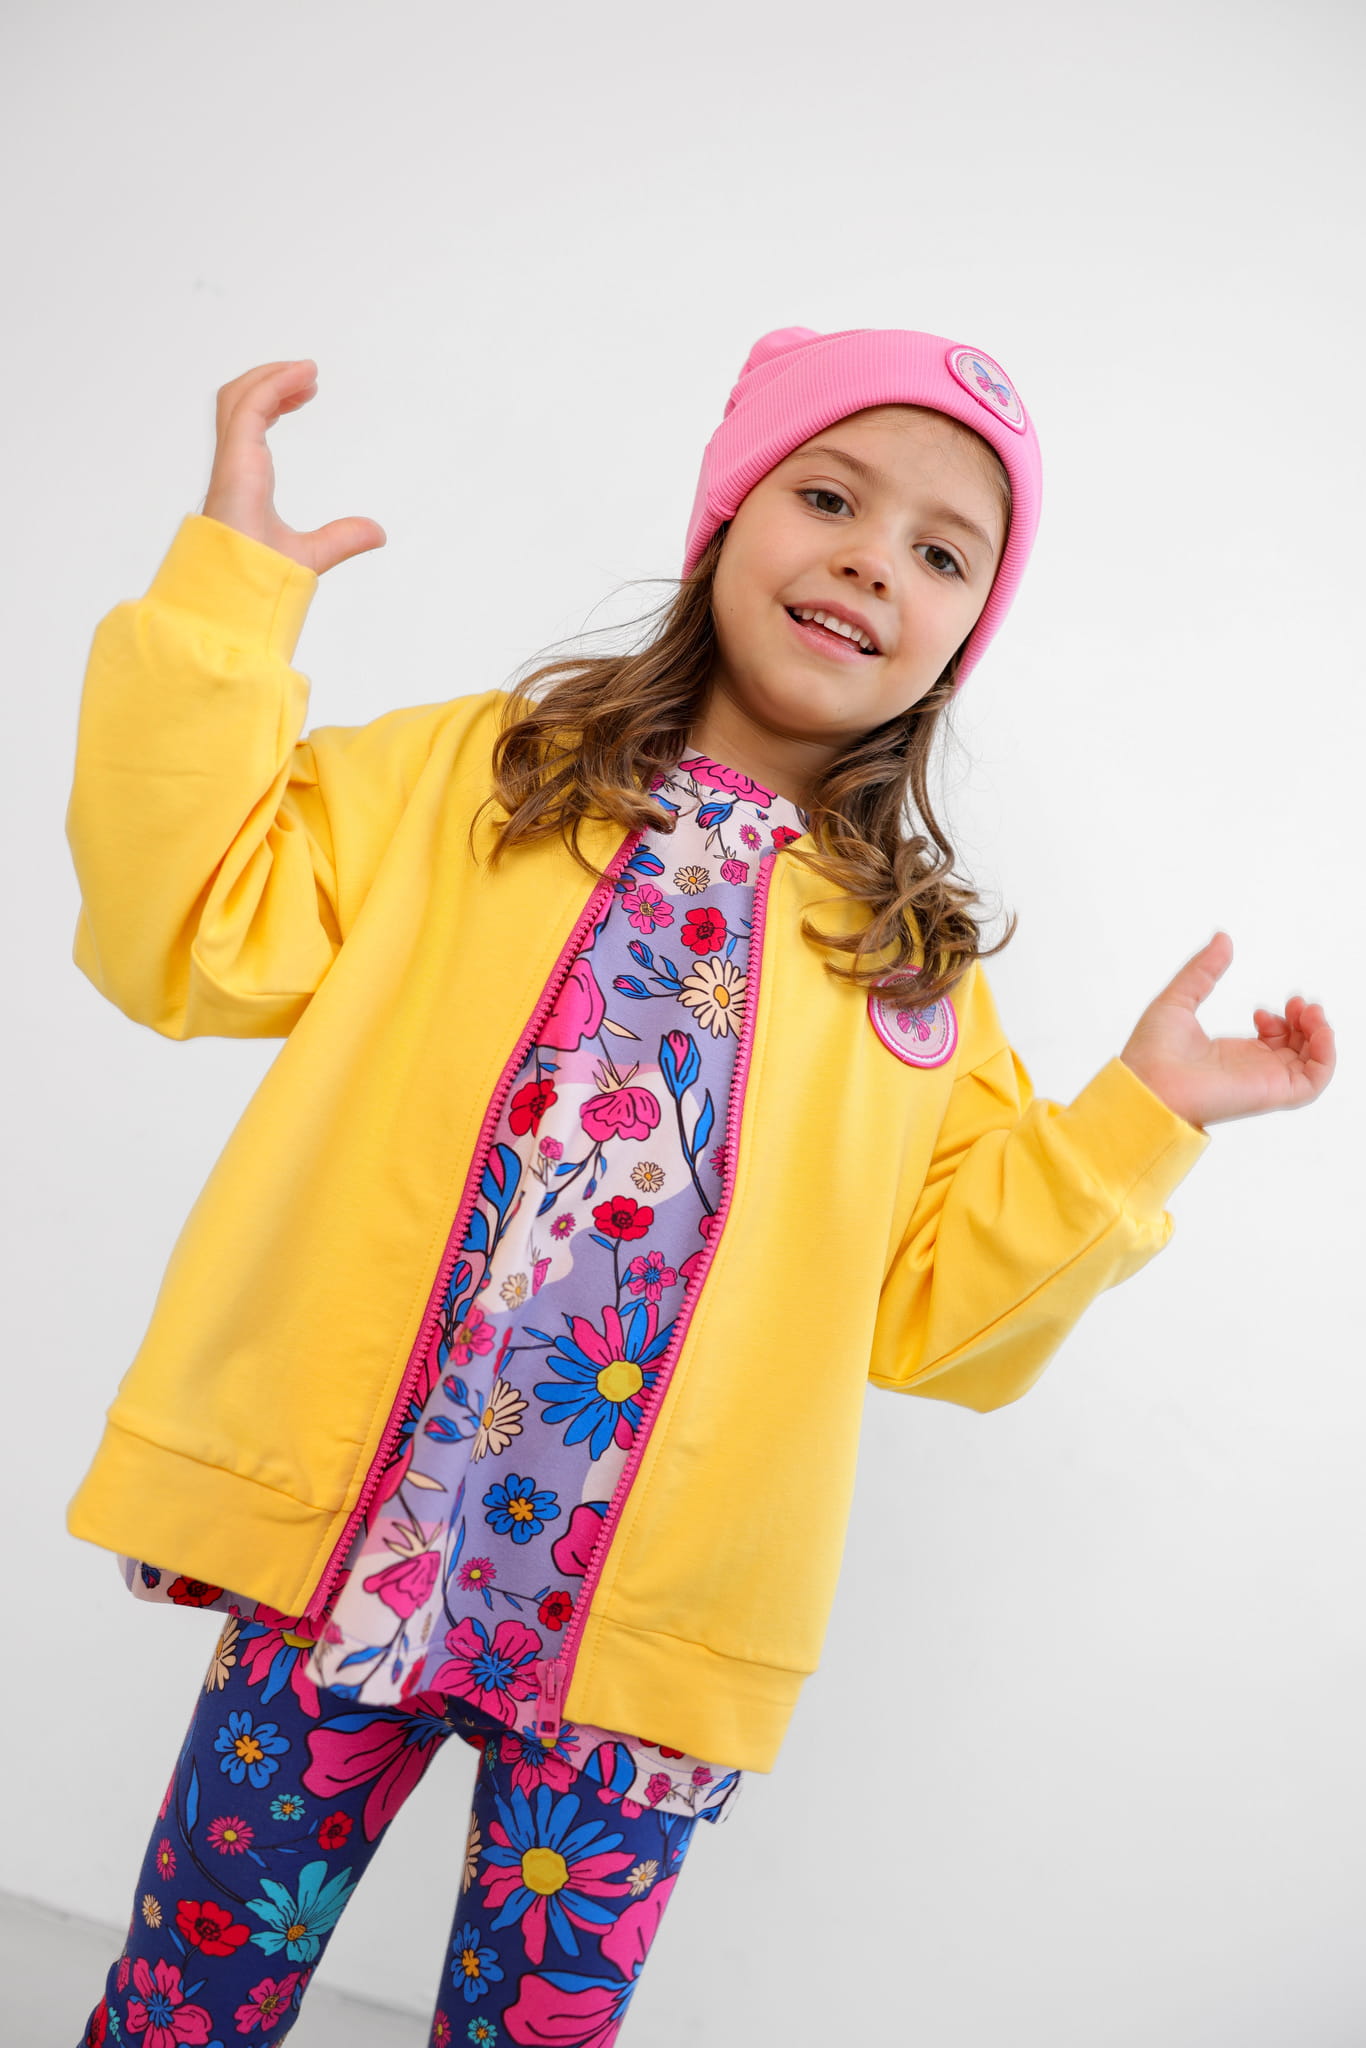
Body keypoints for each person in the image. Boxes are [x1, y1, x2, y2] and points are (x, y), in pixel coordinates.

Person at [65, 326, 1335, 2047]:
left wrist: (1139, 1118)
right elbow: (185, 925)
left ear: (965, 634)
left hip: (644, 1643)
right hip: (352, 1559)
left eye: (941, 553)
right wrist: (228, 607)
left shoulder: (909, 972)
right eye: (831, 498)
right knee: (186, 2002)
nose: (872, 561)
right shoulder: (485, 783)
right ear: (730, 515)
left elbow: (939, 1321)